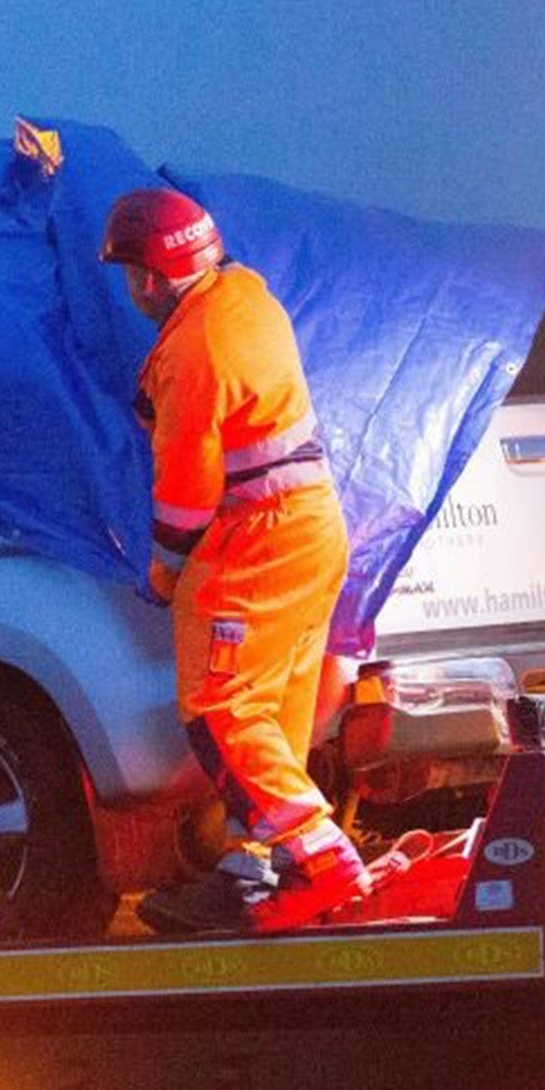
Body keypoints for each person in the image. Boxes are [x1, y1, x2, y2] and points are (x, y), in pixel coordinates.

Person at [100, 188, 372, 935]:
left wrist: (163, 569)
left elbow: (186, 496)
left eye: (130, 274)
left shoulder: (192, 353)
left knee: (221, 711)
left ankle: (319, 859)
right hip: (311, 528)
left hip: (255, 537)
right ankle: (259, 871)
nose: (129, 291)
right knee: (275, 714)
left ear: (152, 276)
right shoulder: (246, 295)